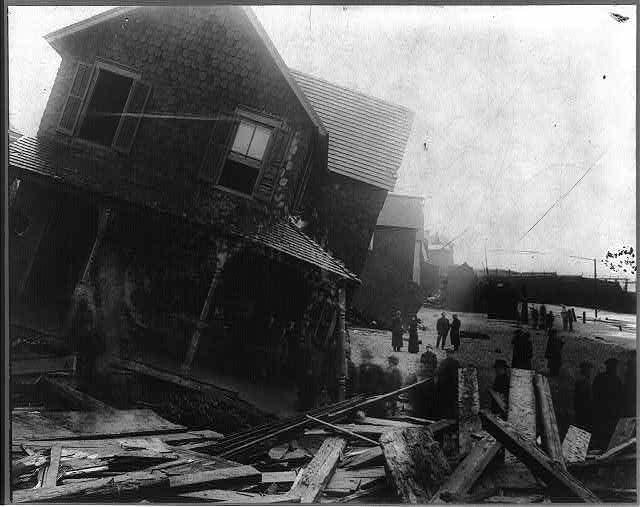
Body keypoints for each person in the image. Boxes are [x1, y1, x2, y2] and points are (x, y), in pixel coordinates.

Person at [71, 298, 104, 392]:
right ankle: (83, 383)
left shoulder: (89, 314)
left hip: (87, 342)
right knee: (84, 362)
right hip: (85, 342)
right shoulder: (86, 314)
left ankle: (84, 383)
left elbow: (91, 327)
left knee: (86, 363)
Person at [592, 358, 623, 449]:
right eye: (612, 367)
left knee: (605, 434)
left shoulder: (603, 378)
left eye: (614, 367)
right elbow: (595, 393)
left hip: (608, 412)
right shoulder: (614, 380)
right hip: (605, 412)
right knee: (604, 434)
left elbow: (620, 397)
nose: (614, 369)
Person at [407, 349, 437, 418]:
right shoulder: (417, 377)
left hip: (423, 412)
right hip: (422, 411)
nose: (424, 366)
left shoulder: (418, 377)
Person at [358, 349, 387, 416]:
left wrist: (381, 394)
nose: (364, 359)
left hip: (375, 396)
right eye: (363, 357)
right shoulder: (360, 368)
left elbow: (383, 383)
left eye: (365, 358)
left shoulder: (378, 369)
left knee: (375, 413)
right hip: (364, 395)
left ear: (370, 359)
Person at [435, 349, 459, 418]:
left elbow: (439, 373)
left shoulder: (444, 362)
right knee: (452, 403)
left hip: (444, 387)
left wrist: (438, 385)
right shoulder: (456, 363)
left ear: (447, 354)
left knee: (444, 403)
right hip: (453, 387)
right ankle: (452, 417)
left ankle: (444, 416)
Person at [574, 361, 594, 431]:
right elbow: (583, 395)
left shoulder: (585, 380)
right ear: (585, 370)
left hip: (583, 409)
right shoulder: (582, 380)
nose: (590, 372)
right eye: (589, 370)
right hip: (583, 409)